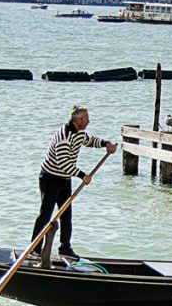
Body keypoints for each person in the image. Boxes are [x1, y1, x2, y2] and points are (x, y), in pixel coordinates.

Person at [32, 105, 117, 260]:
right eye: (86, 118)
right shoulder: (64, 136)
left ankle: (65, 247)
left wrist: (106, 144)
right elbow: (63, 163)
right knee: (46, 214)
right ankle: (35, 248)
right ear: (78, 120)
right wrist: (82, 175)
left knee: (66, 215)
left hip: (64, 178)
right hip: (50, 177)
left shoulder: (79, 133)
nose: (89, 121)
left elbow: (90, 141)